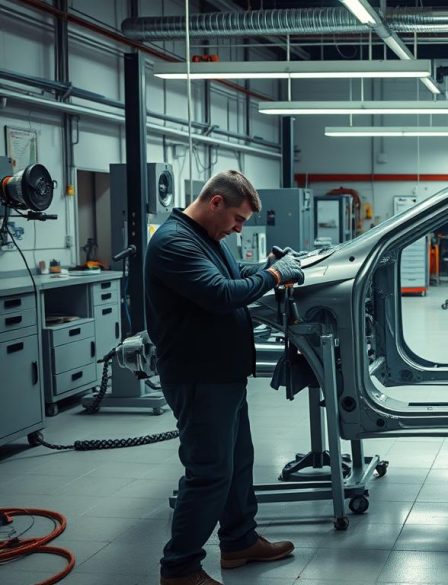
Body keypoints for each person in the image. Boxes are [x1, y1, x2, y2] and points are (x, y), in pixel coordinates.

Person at [146, 170, 305, 585]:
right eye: (237, 218)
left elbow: (230, 276)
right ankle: (179, 568)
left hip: (223, 372)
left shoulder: (205, 238)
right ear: (215, 202)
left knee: (237, 464)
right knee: (208, 472)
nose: (239, 229)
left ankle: (239, 541)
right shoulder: (174, 242)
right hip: (199, 377)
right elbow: (220, 294)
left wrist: (266, 265)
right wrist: (274, 277)